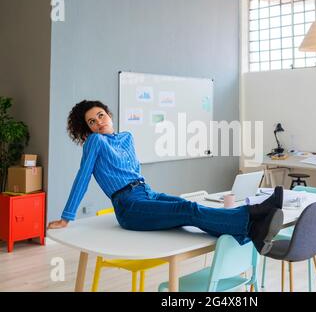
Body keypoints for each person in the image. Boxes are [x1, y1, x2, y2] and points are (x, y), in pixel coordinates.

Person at [47, 100, 285, 255]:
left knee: (187, 205)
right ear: (88, 129)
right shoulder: (95, 141)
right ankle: (254, 218)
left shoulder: (127, 138)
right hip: (128, 205)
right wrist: (67, 217)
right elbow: (82, 176)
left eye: (100, 115)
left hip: (145, 191)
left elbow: (133, 172)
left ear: (108, 114)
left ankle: (253, 226)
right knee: (188, 211)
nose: (98, 122)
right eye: (92, 122)